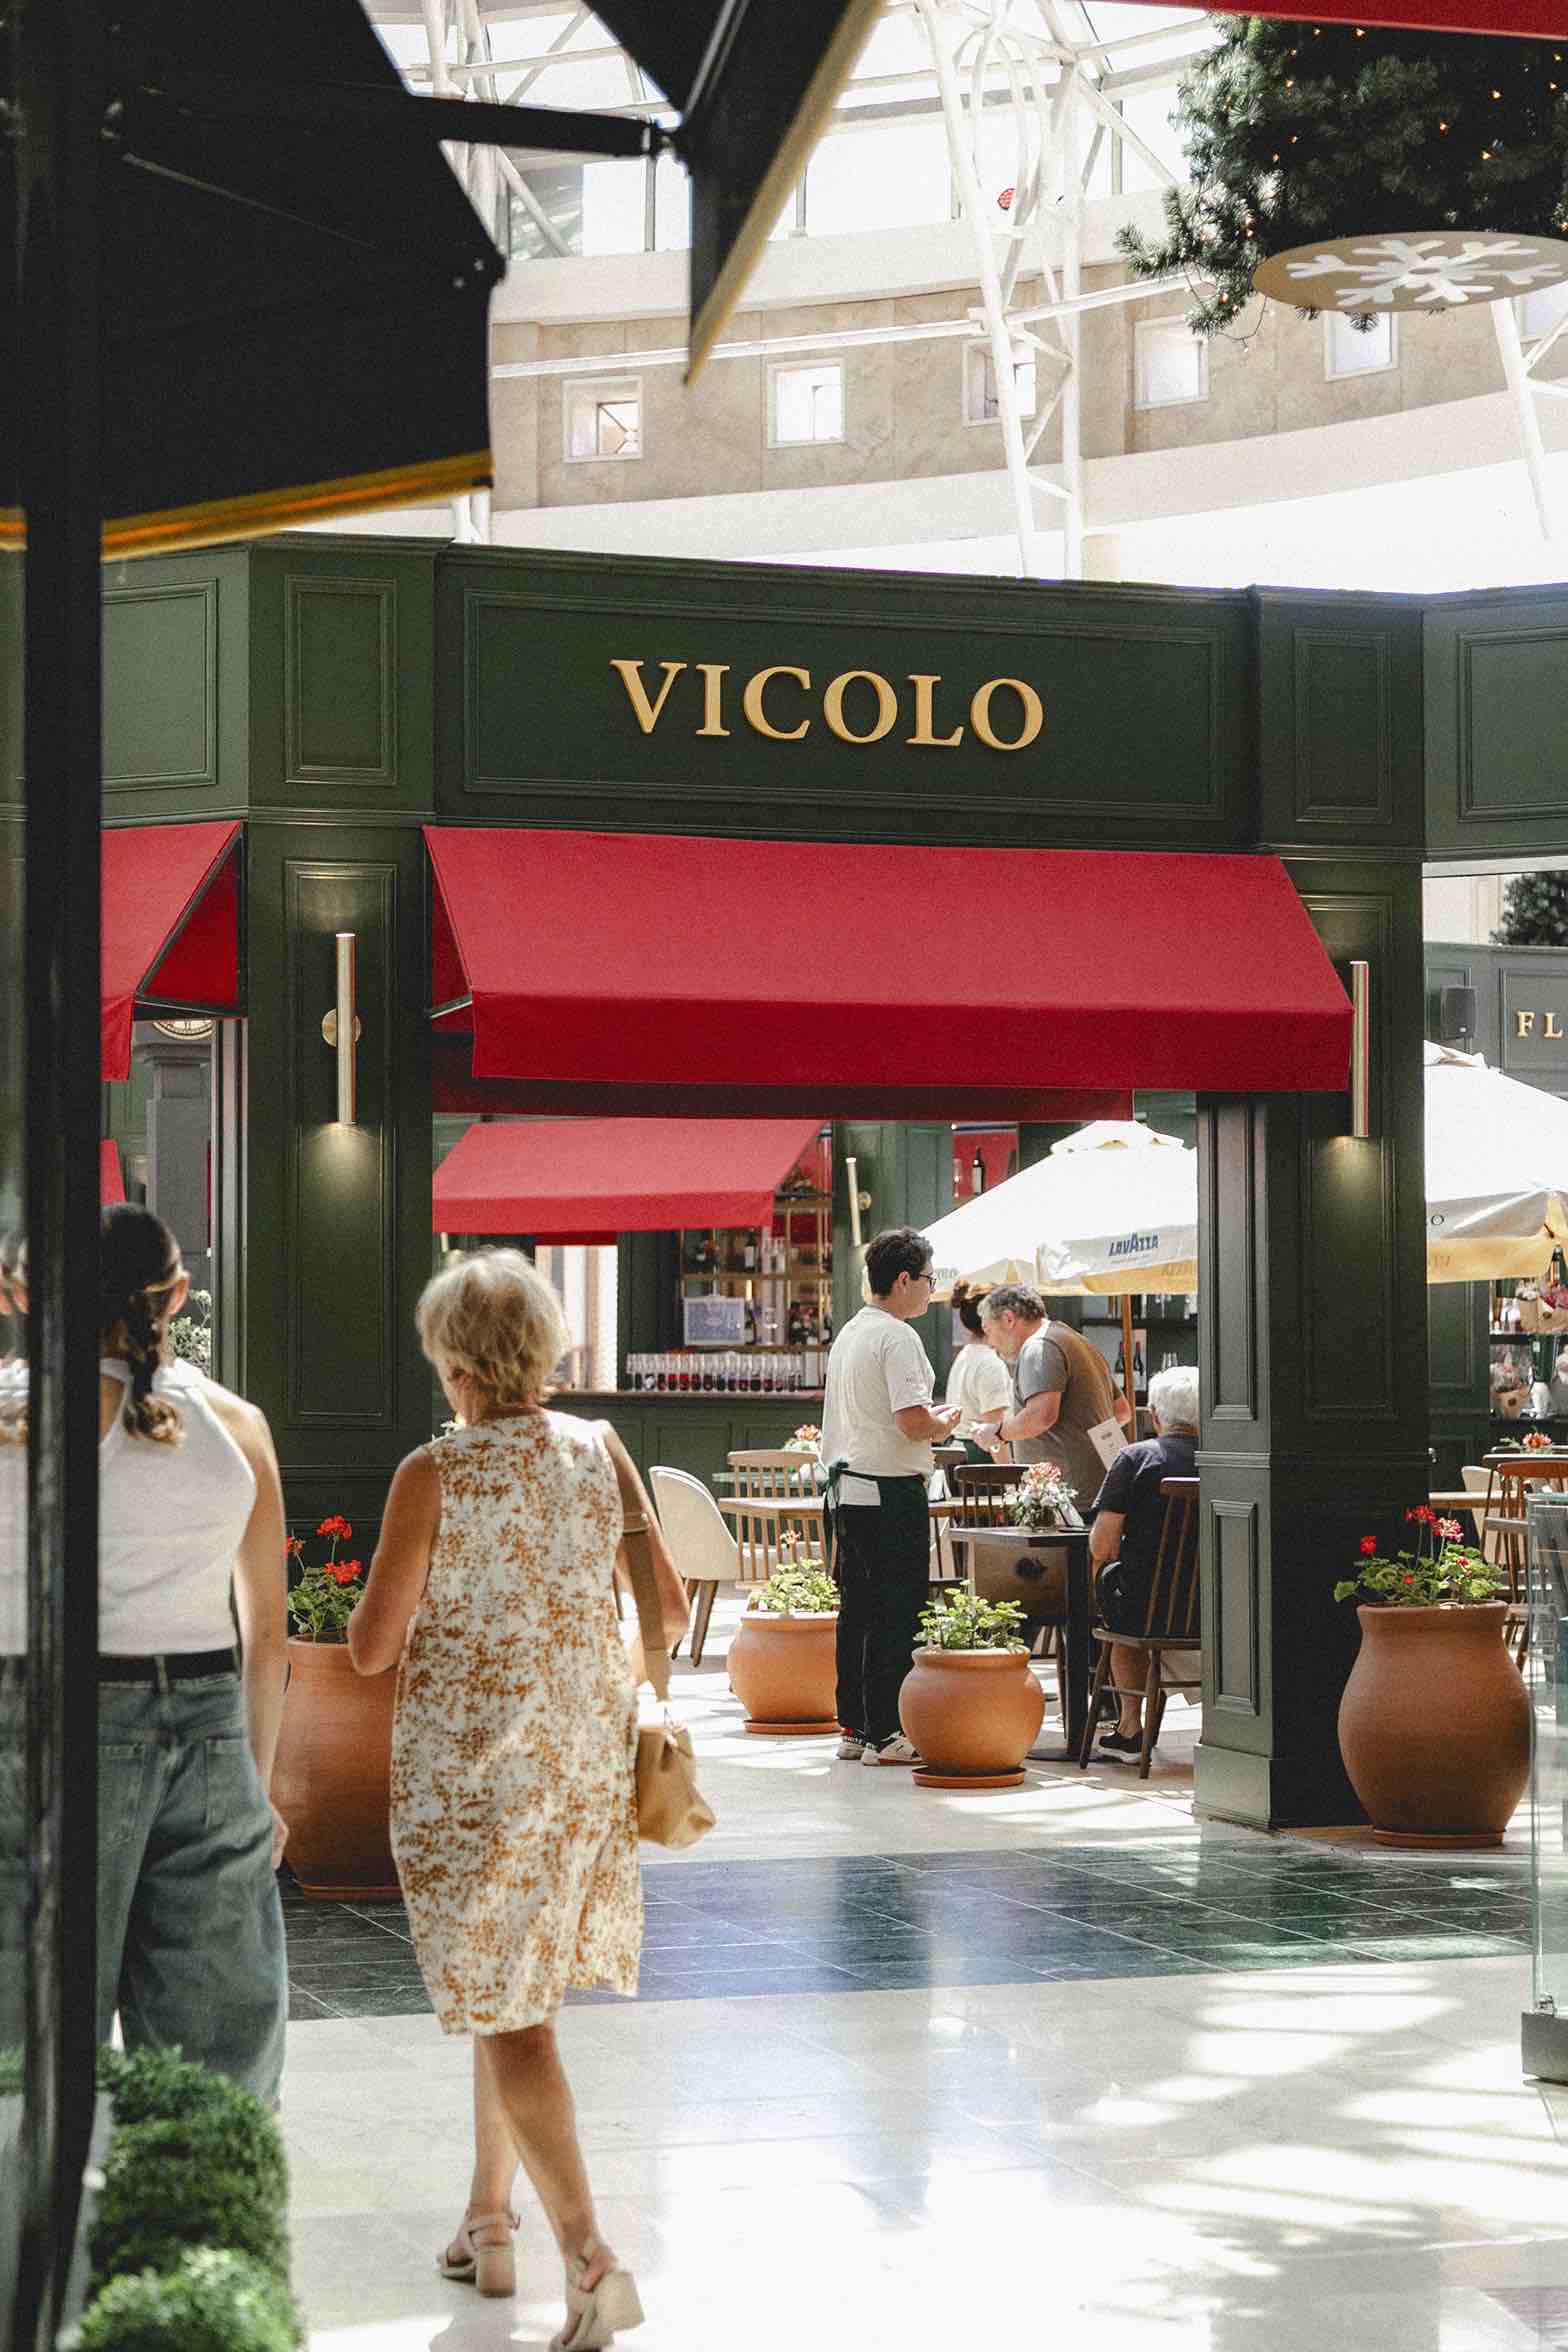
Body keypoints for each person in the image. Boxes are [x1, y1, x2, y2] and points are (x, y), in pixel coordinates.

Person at [347, 1248, 688, 2345]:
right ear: (544, 1347)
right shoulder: (600, 1450)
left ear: (451, 1361)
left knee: (509, 2012)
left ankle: (589, 2258)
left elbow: (370, 1649)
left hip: (469, 1784)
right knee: (516, 2000)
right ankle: (487, 2220)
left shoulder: (432, 1474)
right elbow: (669, 1612)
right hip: (579, 1770)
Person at [0, 1206, 289, 2100]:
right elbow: (267, 1635)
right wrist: (258, 1787)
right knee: (211, 2076)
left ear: (19, 1294)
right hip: (203, 1735)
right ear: (176, 1295)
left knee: (23, 2063)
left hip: (28, 1719)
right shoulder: (236, 1427)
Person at [820, 1226, 961, 1767]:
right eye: (928, 1279)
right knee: (897, 1608)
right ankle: (886, 1731)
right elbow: (912, 1422)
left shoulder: (851, 1332)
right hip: (890, 1488)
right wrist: (944, 1423)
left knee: (857, 1608)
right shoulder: (898, 1337)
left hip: (848, 1489)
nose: (931, 1289)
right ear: (903, 1280)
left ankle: (855, 1727)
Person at [1086, 1363, 1200, 1760]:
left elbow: (1102, 1545)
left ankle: (1131, 1728)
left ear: (1154, 1415)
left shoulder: (1136, 1458)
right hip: (1214, 1607)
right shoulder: (1224, 1460)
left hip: (1146, 1607)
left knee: (1114, 1590)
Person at [978, 1282, 1131, 1509]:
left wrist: (998, 1432)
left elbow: (1041, 1417)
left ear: (1009, 1319)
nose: (990, 1343)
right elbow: (1121, 1412)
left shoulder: (1039, 1346)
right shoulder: (1078, 1341)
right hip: (1101, 1487)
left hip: (1067, 1497)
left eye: (988, 1330)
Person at [944, 1280, 1013, 1465]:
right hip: (982, 1458)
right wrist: (1009, 1474)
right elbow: (994, 1430)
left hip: (960, 1450)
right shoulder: (990, 1363)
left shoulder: (966, 1355)